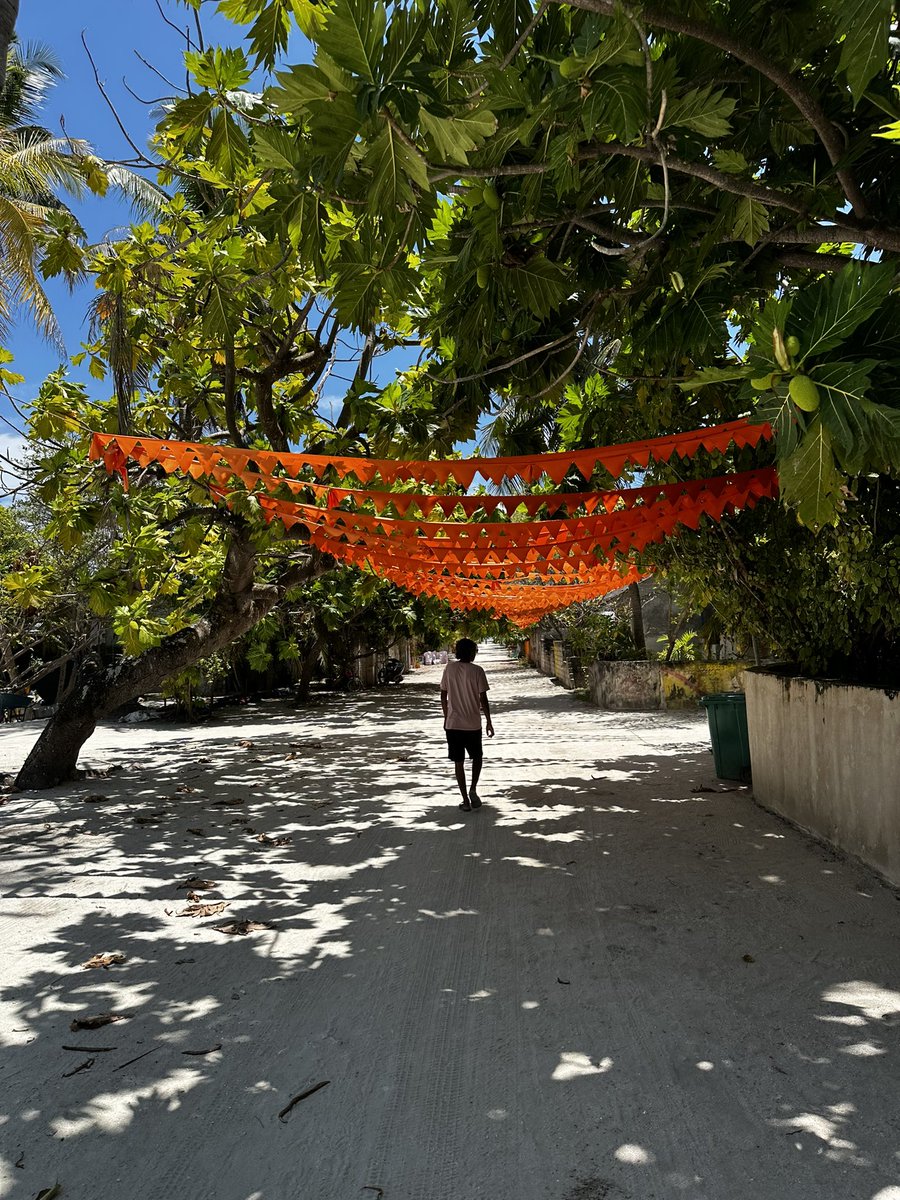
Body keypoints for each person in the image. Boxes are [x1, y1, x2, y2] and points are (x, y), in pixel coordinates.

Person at [440, 638, 494, 811]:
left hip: (453, 724)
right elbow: (483, 699)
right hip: (473, 724)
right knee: (477, 757)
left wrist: (446, 716)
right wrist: (489, 721)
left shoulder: (449, 668)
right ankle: (473, 789)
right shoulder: (478, 671)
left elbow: (443, 695)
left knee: (459, 762)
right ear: (471, 652)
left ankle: (465, 800)